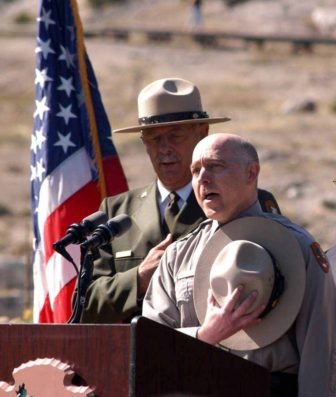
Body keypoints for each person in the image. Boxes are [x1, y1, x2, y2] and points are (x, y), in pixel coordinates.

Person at [143, 133, 336, 397]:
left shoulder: (298, 247)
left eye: (216, 166)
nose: (202, 179)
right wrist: (203, 335)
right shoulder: (178, 255)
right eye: (196, 170)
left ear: (251, 173)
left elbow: (320, 353)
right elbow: (150, 346)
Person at [79, 78, 281, 324]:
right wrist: (139, 278)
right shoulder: (117, 211)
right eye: (153, 138)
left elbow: (278, 284)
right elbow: (84, 305)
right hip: (132, 356)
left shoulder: (244, 200)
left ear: (202, 133)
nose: (164, 149)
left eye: (175, 136)